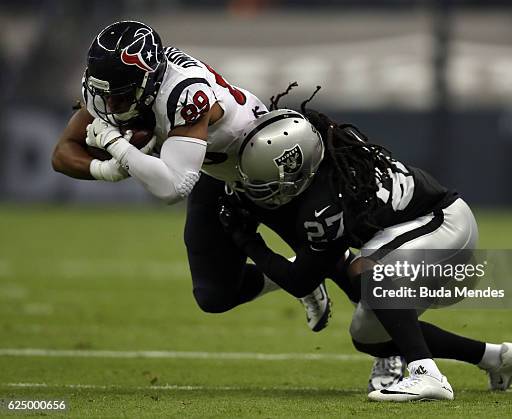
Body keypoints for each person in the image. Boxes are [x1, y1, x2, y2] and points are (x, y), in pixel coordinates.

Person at [217, 104, 512, 401]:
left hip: (445, 226)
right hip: (416, 239)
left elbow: (299, 281)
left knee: (372, 269)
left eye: (269, 183)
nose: (259, 192)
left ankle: (427, 374)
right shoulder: (322, 145)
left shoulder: (321, 204)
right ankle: (496, 357)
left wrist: (247, 240)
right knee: (369, 336)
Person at [50, 20, 333, 332]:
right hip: (213, 170)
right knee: (215, 294)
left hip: (262, 167)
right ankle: (300, 279)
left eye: (120, 94)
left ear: (148, 79)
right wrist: (106, 169)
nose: (110, 105)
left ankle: (388, 356)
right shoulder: (109, 90)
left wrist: (114, 144)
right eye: (104, 93)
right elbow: (62, 153)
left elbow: (175, 186)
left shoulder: (183, 91)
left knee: (333, 257)